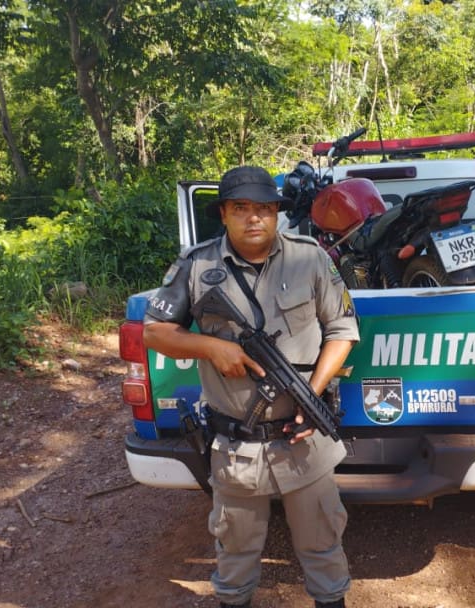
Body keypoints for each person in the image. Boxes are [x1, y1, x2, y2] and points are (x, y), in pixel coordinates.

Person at [142, 165, 359, 608]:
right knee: (236, 554)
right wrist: (210, 347)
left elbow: (342, 329)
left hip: (304, 441)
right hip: (236, 447)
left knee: (323, 546)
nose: (254, 218)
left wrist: (312, 393)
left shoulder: (311, 258)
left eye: (265, 208)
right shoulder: (197, 265)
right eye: (241, 208)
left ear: (278, 214)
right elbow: (153, 331)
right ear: (223, 213)